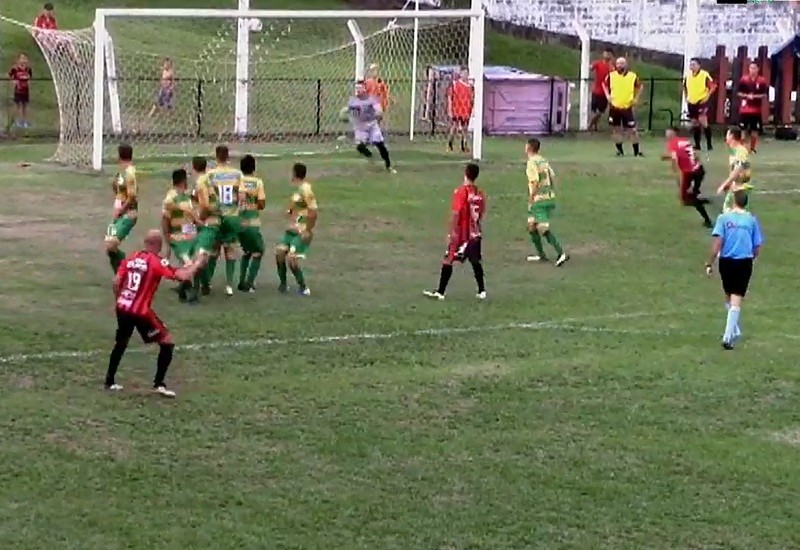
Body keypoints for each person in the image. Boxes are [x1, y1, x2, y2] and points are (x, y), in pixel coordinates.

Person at [106, 230, 201, 396]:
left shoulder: (132, 258)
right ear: (158, 244)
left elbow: (116, 281)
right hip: (140, 312)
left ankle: (110, 381)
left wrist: (119, 300)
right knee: (167, 342)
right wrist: (198, 262)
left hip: (123, 307)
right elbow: (183, 276)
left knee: (121, 342)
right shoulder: (156, 262)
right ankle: (159, 384)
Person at [705, 190, 763, 350]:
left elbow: (718, 242)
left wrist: (709, 262)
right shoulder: (751, 220)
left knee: (729, 294)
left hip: (726, 261)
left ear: (733, 201)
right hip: (744, 261)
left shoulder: (723, 218)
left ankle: (731, 333)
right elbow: (757, 245)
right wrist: (754, 257)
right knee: (735, 297)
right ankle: (729, 335)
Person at [423, 162, 486, 301]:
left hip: (462, 234)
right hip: (475, 233)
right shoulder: (479, 193)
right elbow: (481, 212)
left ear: (465, 173)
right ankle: (482, 291)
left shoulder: (461, 192)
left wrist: (452, 232)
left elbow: (456, 213)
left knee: (448, 259)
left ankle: (440, 292)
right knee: (475, 260)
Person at [206, 145, 245, 297]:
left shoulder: (210, 175)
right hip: (231, 216)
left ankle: (207, 282)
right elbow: (241, 197)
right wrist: (239, 213)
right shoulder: (237, 174)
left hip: (216, 217)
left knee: (213, 251)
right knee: (230, 251)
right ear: (228, 157)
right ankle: (229, 285)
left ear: (216, 157)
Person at [524, 138, 569, 266]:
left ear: (528, 147)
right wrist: (551, 192)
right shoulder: (543, 160)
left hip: (539, 198)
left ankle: (561, 253)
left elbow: (535, 181)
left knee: (542, 227)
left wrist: (531, 198)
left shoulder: (531, 162)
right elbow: (553, 177)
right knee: (531, 225)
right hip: (548, 196)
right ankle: (541, 255)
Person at [276, 163, 318, 296]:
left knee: (291, 259)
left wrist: (308, 230)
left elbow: (313, 212)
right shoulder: (298, 190)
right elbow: (296, 208)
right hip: (292, 230)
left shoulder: (306, 190)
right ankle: (283, 285)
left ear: (294, 173)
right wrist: (290, 212)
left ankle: (304, 287)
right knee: (279, 253)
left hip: (301, 232)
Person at [662, 127, 713, 228]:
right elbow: (694, 154)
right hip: (699, 169)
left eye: (668, 134)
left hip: (689, 172)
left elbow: (675, 162)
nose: (666, 136)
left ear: (673, 134)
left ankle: (707, 219)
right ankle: (696, 193)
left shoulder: (672, 144)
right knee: (689, 194)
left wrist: (679, 179)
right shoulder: (685, 141)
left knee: (686, 199)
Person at [342, 80, 395, 173]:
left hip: (371, 124)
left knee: (379, 144)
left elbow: (378, 110)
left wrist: (378, 113)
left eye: (360, 88)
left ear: (365, 89)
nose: (358, 90)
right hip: (360, 126)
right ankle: (370, 157)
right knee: (360, 146)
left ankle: (388, 165)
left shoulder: (372, 99)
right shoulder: (353, 100)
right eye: (357, 88)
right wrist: (343, 116)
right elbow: (345, 110)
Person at [161, 168, 198, 303]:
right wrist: (168, 241)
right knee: (188, 262)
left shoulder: (188, 196)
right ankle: (190, 292)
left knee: (192, 262)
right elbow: (165, 220)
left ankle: (184, 287)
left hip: (191, 235)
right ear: (183, 181)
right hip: (178, 237)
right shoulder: (171, 198)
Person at [105, 144, 138, 273]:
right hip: (118, 214)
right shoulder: (122, 172)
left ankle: (125, 269)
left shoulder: (130, 173)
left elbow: (132, 197)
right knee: (108, 246)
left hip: (128, 214)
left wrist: (121, 210)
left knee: (111, 245)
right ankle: (121, 274)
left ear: (119, 155)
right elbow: (119, 189)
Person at [603, 57, 644, 157]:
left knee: (632, 130)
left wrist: (636, 99)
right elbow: (604, 84)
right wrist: (607, 96)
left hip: (627, 107)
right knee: (616, 130)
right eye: (618, 63)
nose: (619, 65)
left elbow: (640, 86)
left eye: (622, 63)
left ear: (626, 64)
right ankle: (620, 151)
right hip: (615, 107)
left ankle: (636, 152)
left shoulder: (632, 76)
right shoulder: (611, 76)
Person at [192, 156, 221, 296]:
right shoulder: (209, 178)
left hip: (209, 223)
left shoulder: (201, 182)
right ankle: (204, 285)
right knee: (201, 255)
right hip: (215, 221)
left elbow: (205, 205)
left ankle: (195, 291)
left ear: (193, 167)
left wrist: (199, 220)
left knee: (199, 257)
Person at [238, 154, 266, 292]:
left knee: (247, 251)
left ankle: (241, 280)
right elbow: (261, 204)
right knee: (259, 251)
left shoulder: (238, 181)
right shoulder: (258, 183)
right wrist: (253, 201)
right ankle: (249, 284)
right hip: (252, 223)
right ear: (253, 168)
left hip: (239, 223)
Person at [684, 58, 716, 151]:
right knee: (695, 123)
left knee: (703, 120)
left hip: (701, 101)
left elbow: (713, 86)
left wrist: (707, 96)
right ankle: (697, 145)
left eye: (694, 64)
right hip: (692, 101)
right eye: (691, 65)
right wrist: (687, 97)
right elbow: (685, 87)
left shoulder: (704, 75)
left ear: (699, 65)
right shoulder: (688, 76)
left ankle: (709, 144)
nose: (692, 67)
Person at [718, 127, 753, 213]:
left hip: (741, 187)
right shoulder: (734, 151)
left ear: (731, 136)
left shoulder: (740, 151)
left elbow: (737, 170)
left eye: (727, 134)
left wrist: (724, 184)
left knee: (732, 212)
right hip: (736, 185)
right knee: (731, 211)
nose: (726, 137)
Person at [737, 61, 768, 153]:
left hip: (756, 110)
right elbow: (739, 92)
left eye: (754, 68)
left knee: (754, 130)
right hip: (745, 109)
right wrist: (746, 96)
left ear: (758, 69)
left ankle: (752, 148)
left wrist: (754, 96)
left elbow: (764, 95)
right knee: (743, 129)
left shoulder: (762, 81)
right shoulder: (744, 79)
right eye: (750, 68)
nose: (752, 70)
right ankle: (741, 149)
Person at [446, 66, 474, 153]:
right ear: (460, 74)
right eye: (463, 73)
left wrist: (472, 110)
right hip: (457, 109)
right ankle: (449, 144)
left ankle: (464, 146)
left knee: (465, 128)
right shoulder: (455, 84)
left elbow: (471, 99)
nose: (465, 75)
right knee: (454, 126)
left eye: (466, 73)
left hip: (465, 109)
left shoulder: (470, 86)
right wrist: (450, 108)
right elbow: (450, 96)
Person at [588, 48, 614, 132]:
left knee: (600, 112)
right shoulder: (598, 63)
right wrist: (589, 66)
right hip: (596, 91)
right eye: (606, 53)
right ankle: (594, 126)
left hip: (605, 93)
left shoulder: (612, 66)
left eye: (609, 54)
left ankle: (589, 126)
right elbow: (591, 67)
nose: (607, 55)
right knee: (594, 110)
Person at [8, 54, 32, 128]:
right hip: (18, 90)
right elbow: (9, 75)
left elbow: (30, 77)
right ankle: (14, 121)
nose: (23, 60)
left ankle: (24, 121)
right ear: (18, 60)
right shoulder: (15, 69)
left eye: (25, 58)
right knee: (17, 106)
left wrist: (28, 83)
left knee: (25, 106)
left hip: (25, 90)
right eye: (21, 58)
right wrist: (14, 81)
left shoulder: (28, 69)